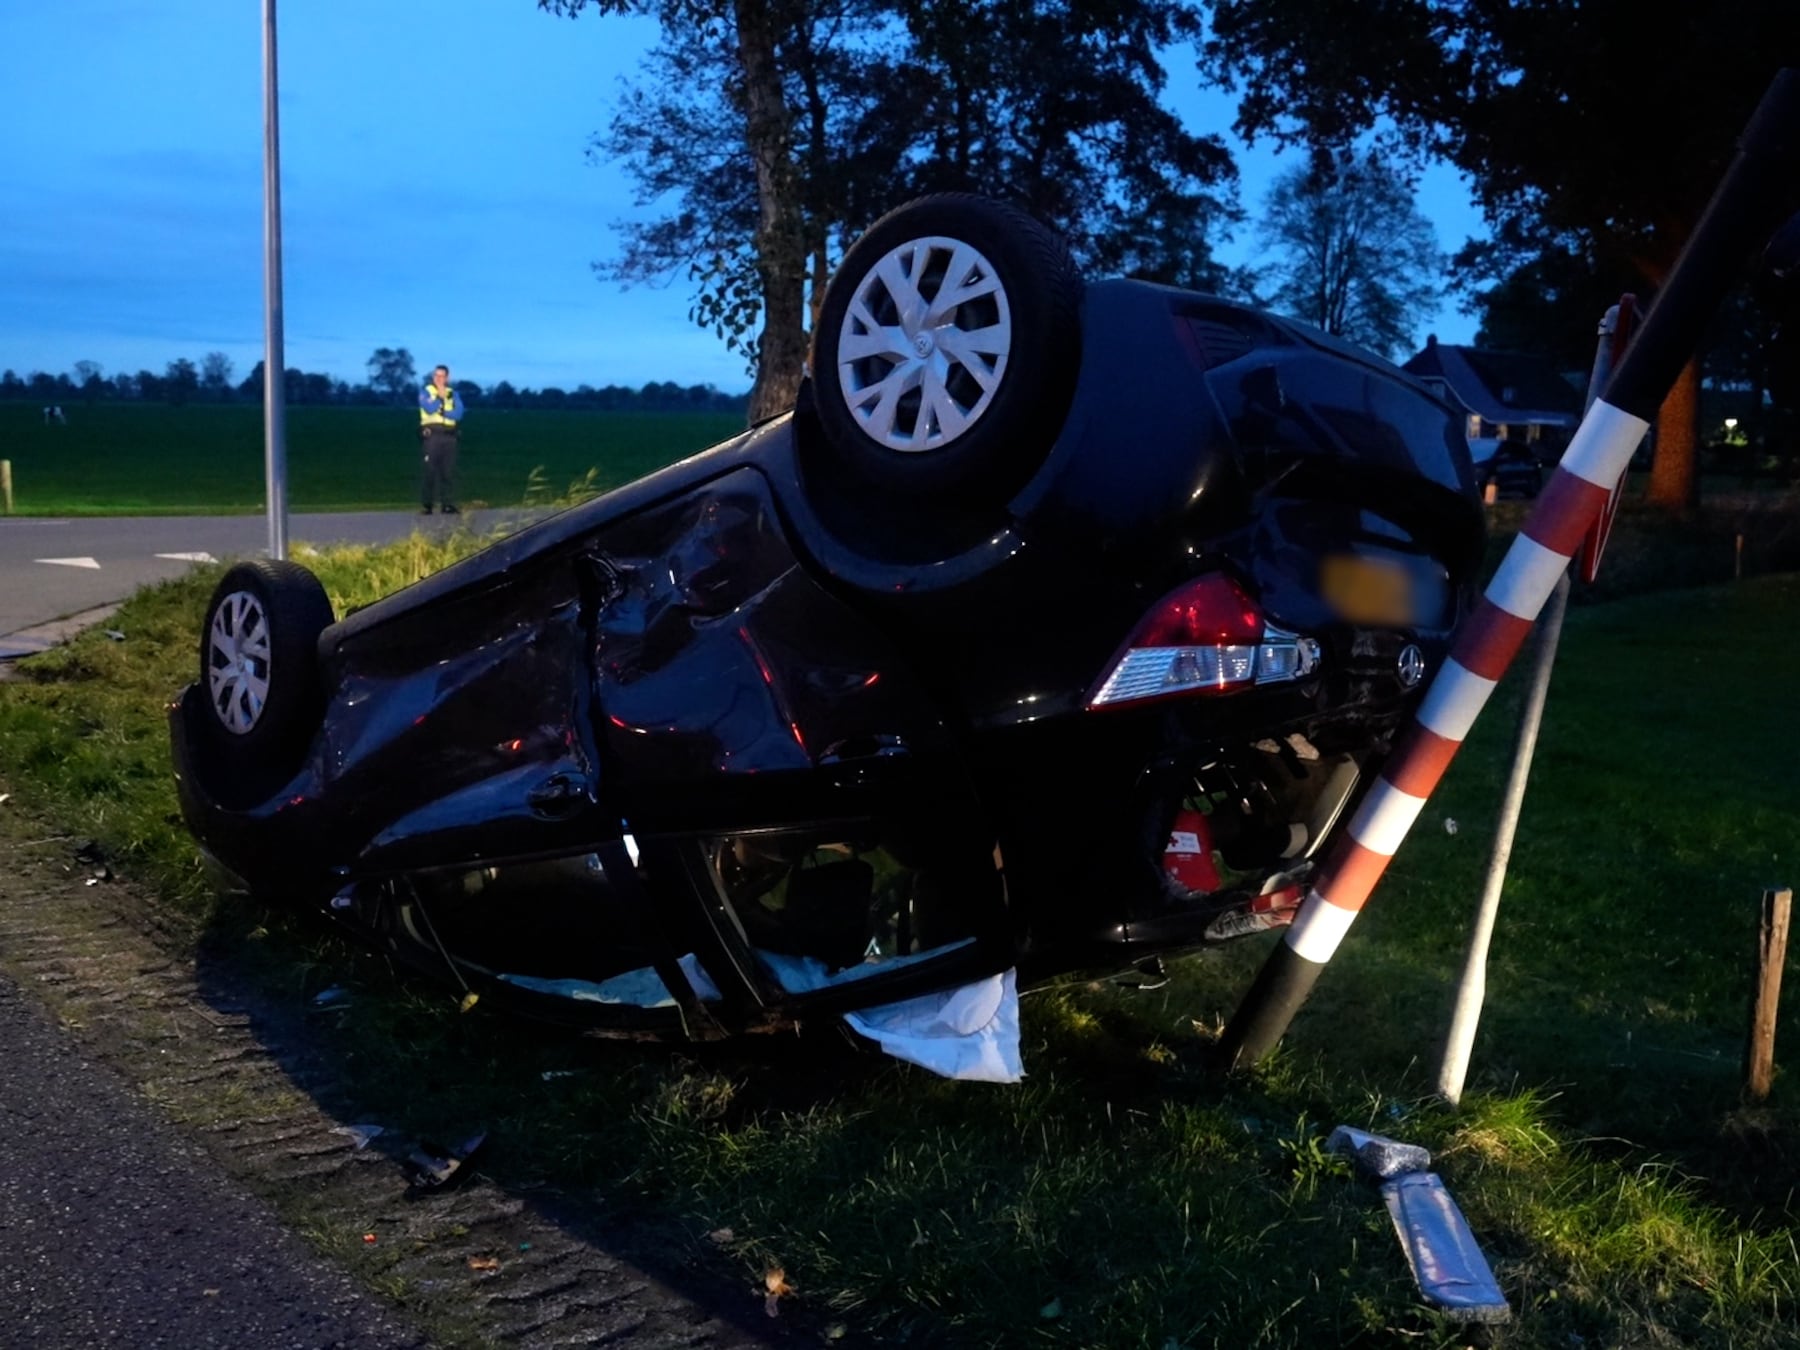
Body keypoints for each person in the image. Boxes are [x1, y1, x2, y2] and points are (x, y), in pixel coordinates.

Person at [418, 364, 463, 514]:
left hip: (450, 436)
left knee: (448, 472)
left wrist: (443, 411)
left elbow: (459, 413)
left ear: (447, 378)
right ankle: (427, 505)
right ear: (433, 377)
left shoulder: (453, 393)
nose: (439, 379)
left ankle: (447, 504)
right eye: (436, 376)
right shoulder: (426, 391)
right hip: (432, 436)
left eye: (442, 376)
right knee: (429, 471)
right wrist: (439, 398)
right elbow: (429, 408)